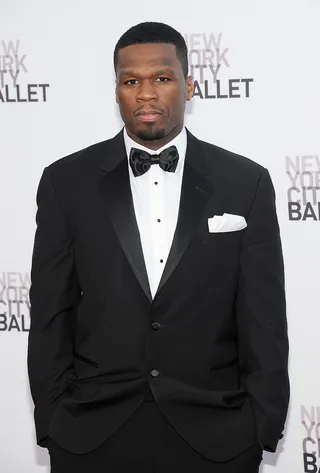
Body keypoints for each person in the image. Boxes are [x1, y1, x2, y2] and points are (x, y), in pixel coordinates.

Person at [27, 21, 290, 473]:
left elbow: (264, 318)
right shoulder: (65, 182)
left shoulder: (245, 182)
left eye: (162, 79)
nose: (146, 93)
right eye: (131, 81)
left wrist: (259, 425)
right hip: (93, 435)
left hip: (217, 437)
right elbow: (51, 311)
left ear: (188, 86)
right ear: (116, 91)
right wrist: (55, 418)